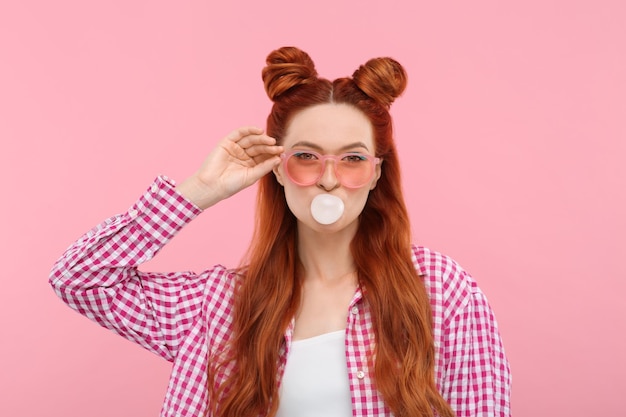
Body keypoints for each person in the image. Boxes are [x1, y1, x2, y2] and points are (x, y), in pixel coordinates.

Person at [50, 46, 511, 417]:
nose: (329, 179)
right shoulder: (217, 306)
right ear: (277, 168)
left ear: (375, 174)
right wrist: (199, 190)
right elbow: (78, 279)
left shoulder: (439, 290)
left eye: (352, 159)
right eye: (307, 156)